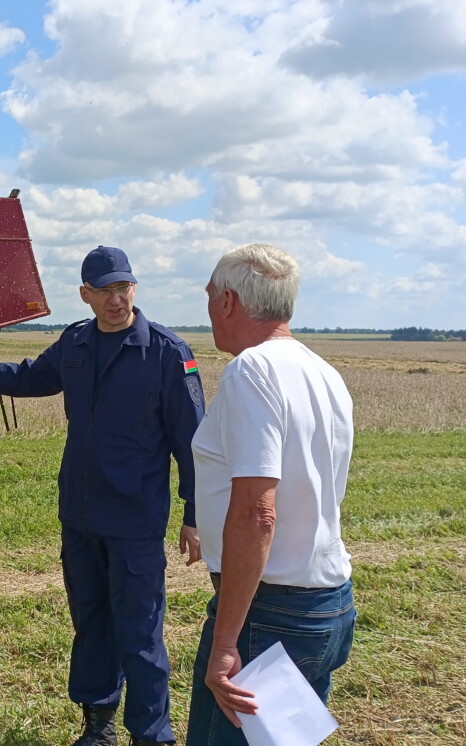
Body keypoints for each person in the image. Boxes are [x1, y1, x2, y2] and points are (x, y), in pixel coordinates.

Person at [0, 246, 205, 746]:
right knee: (92, 625)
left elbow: (191, 441)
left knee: (140, 636)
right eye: (105, 290)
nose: (117, 299)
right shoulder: (75, 343)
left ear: (134, 288)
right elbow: (29, 377)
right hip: (80, 516)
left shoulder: (167, 353)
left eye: (124, 288)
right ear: (86, 295)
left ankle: (152, 735)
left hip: (135, 523)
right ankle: (98, 728)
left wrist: (195, 514)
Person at [186, 243, 356, 746]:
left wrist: (224, 644)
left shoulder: (252, 372)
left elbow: (258, 512)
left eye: (211, 295)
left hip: (270, 611)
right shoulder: (325, 374)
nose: (210, 306)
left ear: (230, 302)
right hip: (327, 605)